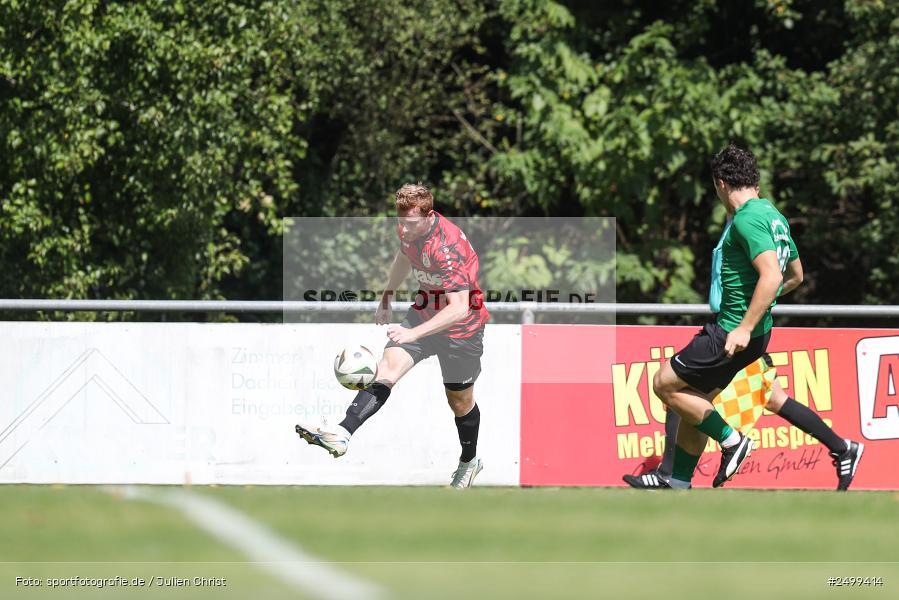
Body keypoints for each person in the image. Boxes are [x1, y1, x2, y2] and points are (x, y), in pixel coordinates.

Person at [625, 145, 863, 490]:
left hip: (731, 330)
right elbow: (795, 274)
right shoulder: (773, 215)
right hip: (754, 334)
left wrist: (745, 325)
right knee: (695, 398)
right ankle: (676, 482)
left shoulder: (748, 219)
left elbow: (772, 276)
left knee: (663, 383)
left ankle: (733, 441)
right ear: (756, 181)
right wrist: (760, 309)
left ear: (720, 183)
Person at [295, 183, 490, 488]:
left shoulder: (447, 247)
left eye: (410, 223)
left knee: (459, 401)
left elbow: (459, 309)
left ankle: (469, 462)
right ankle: (343, 433)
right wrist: (388, 293)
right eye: (400, 221)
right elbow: (404, 257)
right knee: (386, 369)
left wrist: (413, 333)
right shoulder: (408, 230)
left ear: (429, 215)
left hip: (461, 331)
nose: (404, 228)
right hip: (424, 312)